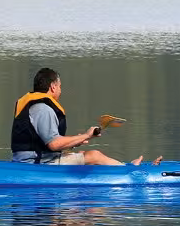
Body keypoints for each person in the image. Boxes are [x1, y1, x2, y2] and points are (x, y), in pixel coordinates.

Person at [10, 67, 142, 166]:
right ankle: (129, 170)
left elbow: (45, 143)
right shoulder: (43, 109)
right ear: (53, 87)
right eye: (60, 87)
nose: (60, 91)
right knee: (93, 155)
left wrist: (77, 140)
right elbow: (54, 145)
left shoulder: (36, 106)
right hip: (36, 164)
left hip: (33, 159)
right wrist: (86, 136)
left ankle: (120, 167)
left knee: (80, 155)